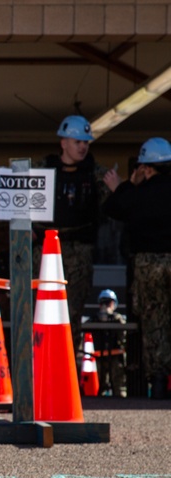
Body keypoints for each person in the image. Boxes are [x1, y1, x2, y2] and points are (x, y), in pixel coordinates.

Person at [33, 116, 114, 352]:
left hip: (80, 251)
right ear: (63, 143)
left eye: (86, 142)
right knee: (40, 309)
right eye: (77, 141)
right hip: (45, 251)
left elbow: (116, 207)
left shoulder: (97, 174)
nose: (82, 146)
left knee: (72, 313)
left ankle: (67, 367)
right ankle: (40, 365)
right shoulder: (42, 169)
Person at [102, 137, 171, 399]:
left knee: (155, 321)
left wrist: (126, 185)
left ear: (146, 168)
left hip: (148, 263)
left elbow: (112, 209)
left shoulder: (137, 195)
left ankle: (160, 380)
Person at [86, 289, 127, 398]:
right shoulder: (94, 320)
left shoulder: (117, 319)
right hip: (100, 357)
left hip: (113, 357)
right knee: (100, 384)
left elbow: (124, 336)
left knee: (118, 385)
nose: (106, 306)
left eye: (107, 303)